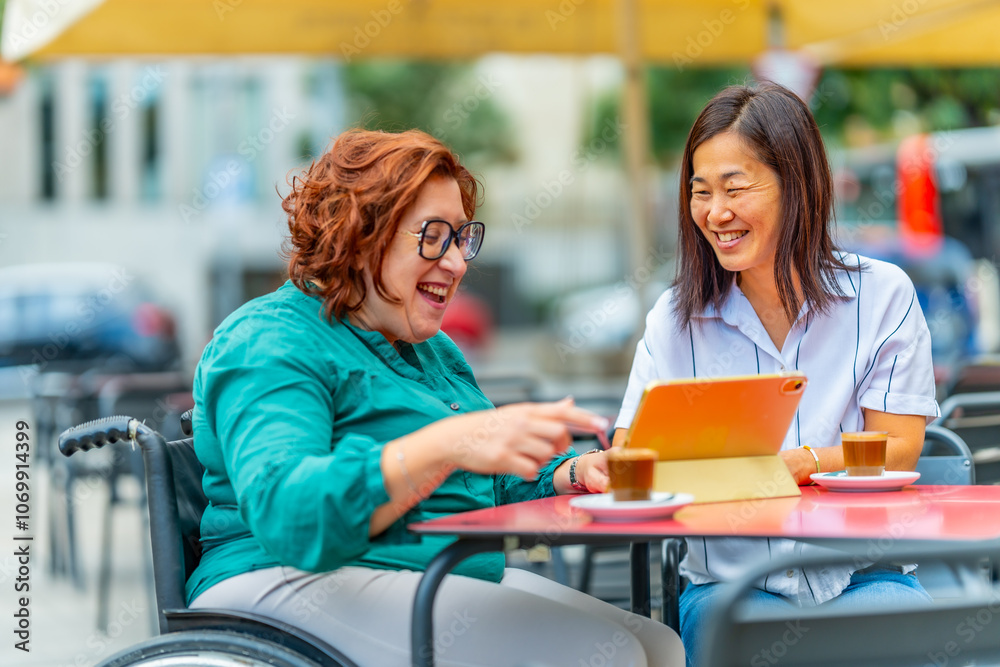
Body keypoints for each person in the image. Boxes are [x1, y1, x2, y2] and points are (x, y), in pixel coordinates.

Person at [187, 128, 684, 667]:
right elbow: (290, 514)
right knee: (604, 657)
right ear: (358, 234)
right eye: (433, 236)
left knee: (659, 645)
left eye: (461, 237)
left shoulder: (429, 349)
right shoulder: (271, 340)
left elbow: (481, 480)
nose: (456, 262)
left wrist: (571, 472)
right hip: (280, 581)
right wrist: (444, 443)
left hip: (420, 574)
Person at [612, 82, 940, 665]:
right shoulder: (673, 320)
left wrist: (805, 463)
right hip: (732, 590)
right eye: (701, 192)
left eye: (736, 188)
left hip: (867, 577)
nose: (716, 213)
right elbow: (632, 453)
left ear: (798, 185)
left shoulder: (882, 296)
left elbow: (899, 447)